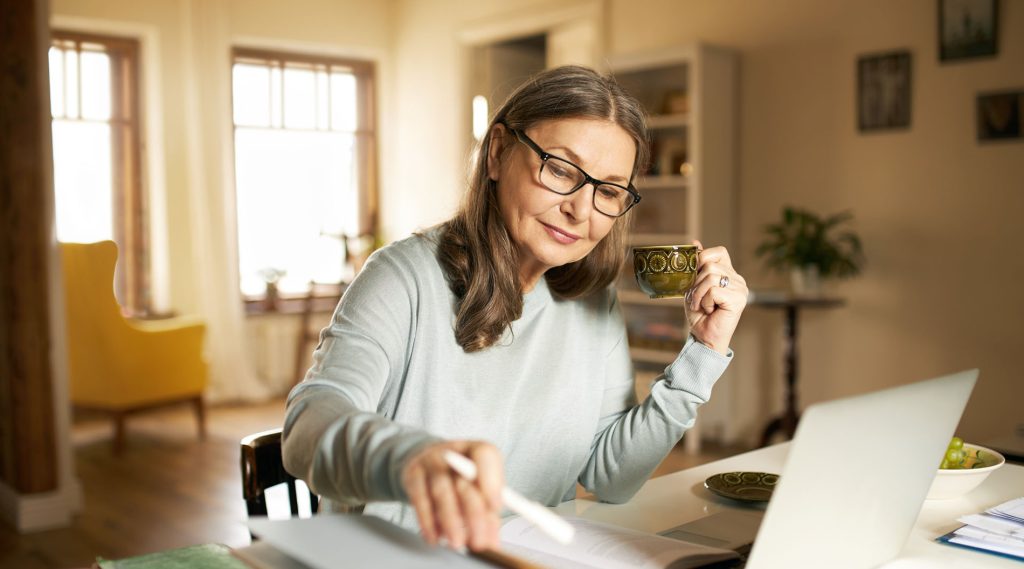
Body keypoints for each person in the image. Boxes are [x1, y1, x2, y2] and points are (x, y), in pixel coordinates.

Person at [282, 65, 749, 553]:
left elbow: (613, 477)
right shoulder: (402, 277)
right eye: (562, 169)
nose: (582, 210)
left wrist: (704, 350)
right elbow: (306, 427)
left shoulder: (593, 300)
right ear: (499, 153)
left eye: (608, 191)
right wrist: (408, 458)